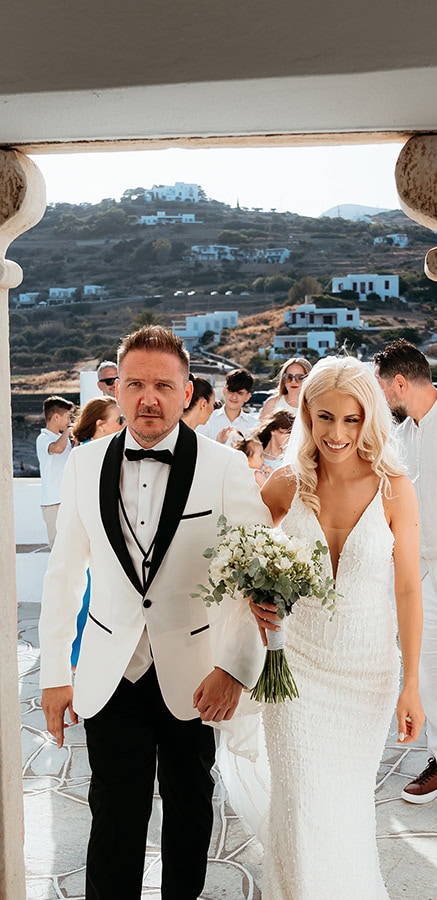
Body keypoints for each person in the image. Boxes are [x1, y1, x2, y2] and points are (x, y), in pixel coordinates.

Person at [39, 325, 270, 900]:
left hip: (195, 673)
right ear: (115, 389)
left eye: (163, 386)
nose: (148, 398)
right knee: (113, 815)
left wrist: (236, 667)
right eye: (135, 384)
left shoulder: (225, 467)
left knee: (190, 809)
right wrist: (54, 674)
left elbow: (259, 575)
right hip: (110, 671)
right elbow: (64, 574)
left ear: (186, 391)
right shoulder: (83, 464)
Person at [251, 355, 424, 900]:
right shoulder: (286, 483)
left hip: (366, 674)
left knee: (345, 811)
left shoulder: (395, 489)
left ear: (369, 418)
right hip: (295, 667)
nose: (337, 433)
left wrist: (412, 683)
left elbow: (408, 589)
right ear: (306, 414)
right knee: (300, 802)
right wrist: (256, 594)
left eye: (351, 419)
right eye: (324, 417)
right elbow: (245, 551)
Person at [373, 339, 437, 803]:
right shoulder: (397, 436)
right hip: (417, 573)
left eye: (383, 389)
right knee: (426, 670)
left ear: (400, 383)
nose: (382, 399)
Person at [69, 396, 125, 668]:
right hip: (94, 545)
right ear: (101, 425)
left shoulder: (109, 453)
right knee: (88, 603)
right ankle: (79, 660)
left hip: (105, 545)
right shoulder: (86, 457)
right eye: (119, 420)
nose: (124, 425)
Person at [36, 395, 74, 548]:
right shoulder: (43, 438)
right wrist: (68, 432)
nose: (69, 422)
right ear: (56, 417)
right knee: (57, 547)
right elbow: (57, 449)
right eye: (67, 417)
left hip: (67, 499)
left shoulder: (63, 438)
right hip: (53, 502)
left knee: (70, 545)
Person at [204, 367, 259, 443]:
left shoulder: (254, 425)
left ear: (247, 397)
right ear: (224, 391)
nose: (234, 397)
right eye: (231, 391)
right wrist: (219, 443)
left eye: (240, 393)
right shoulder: (208, 420)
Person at [259, 357, 312, 421]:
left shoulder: (315, 405)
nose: (293, 381)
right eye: (289, 377)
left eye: (300, 377)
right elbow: (262, 426)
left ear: (309, 379)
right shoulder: (272, 404)